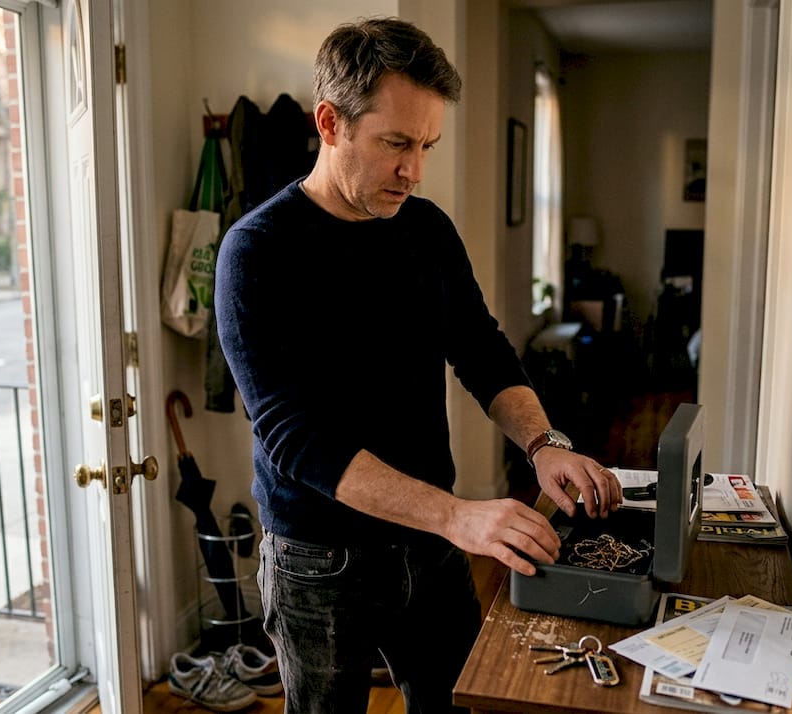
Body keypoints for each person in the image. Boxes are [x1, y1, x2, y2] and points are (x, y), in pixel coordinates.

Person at [214, 17, 622, 713]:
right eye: (396, 143)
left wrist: (542, 443)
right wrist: (459, 517)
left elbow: (481, 349)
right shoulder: (255, 254)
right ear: (329, 122)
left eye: (427, 144)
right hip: (318, 559)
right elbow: (296, 439)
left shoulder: (426, 229)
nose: (414, 169)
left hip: (430, 548)